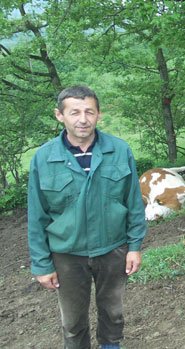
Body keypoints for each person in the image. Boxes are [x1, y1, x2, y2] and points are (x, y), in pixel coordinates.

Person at [27, 85, 147, 349]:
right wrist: (41, 264)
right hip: (67, 254)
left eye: (89, 112)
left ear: (99, 115)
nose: (83, 119)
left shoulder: (119, 150)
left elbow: (134, 204)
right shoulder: (44, 158)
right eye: (74, 112)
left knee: (113, 313)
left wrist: (134, 246)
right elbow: (37, 216)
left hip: (112, 248)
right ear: (60, 115)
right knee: (72, 322)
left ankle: (111, 346)